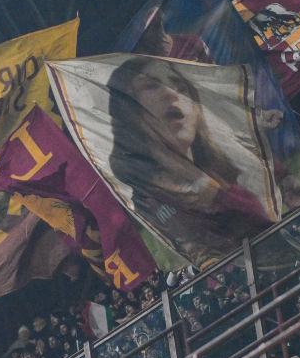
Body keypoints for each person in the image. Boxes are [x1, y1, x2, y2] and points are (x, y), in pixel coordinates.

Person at [108, 56, 274, 266]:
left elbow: (260, 220)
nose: (171, 93)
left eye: (180, 86)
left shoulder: (227, 167)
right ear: (130, 113)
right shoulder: (144, 203)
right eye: (151, 86)